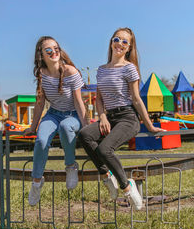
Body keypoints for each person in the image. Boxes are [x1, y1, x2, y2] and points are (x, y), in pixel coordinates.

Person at [77, 27, 165, 210]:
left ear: (129, 47)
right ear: (111, 42)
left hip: (128, 118)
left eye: (125, 42)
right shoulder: (101, 70)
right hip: (110, 117)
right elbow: (99, 99)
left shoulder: (130, 68)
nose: (120, 44)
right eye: (117, 39)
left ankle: (127, 186)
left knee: (104, 149)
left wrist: (150, 125)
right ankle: (106, 175)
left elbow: (136, 99)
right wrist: (102, 117)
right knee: (84, 134)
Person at [24, 36, 87, 206]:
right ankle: (37, 181)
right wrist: (33, 127)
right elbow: (40, 103)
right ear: (41, 55)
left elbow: (79, 102)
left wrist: (86, 125)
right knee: (42, 140)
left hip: (72, 114)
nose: (54, 52)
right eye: (48, 50)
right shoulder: (42, 74)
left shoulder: (70, 72)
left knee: (66, 127)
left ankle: (70, 166)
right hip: (52, 114)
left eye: (56, 48)